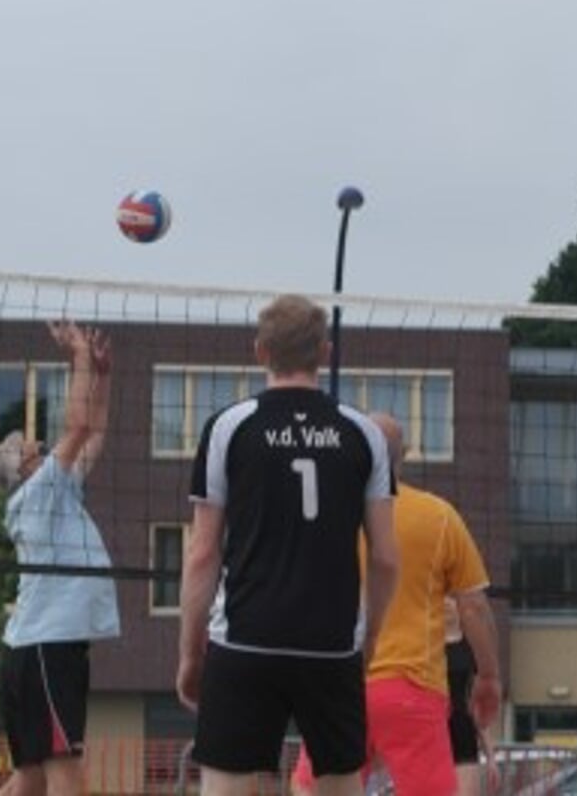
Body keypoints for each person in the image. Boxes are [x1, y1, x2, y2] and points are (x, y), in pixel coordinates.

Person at [178, 294, 400, 796]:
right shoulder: (363, 434)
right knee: (341, 782)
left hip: (244, 638)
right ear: (325, 351)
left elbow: (202, 554)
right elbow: (386, 557)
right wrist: (368, 641)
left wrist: (191, 655)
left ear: (259, 352)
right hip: (330, 644)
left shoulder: (228, 428)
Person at [291, 412, 502, 796]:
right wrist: (489, 675)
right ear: (402, 457)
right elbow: (473, 608)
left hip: (339, 683)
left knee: (310, 789)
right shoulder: (438, 517)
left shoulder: (322, 514)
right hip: (411, 688)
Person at [0, 320, 120, 796]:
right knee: (65, 773)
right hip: (46, 646)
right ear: (21, 467)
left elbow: (94, 431)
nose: (37, 444)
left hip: (41, 647)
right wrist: (80, 358)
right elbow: (79, 425)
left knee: (28, 779)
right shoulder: (36, 492)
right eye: (27, 446)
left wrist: (101, 377)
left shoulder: (55, 493)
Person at [444, 598, 488, 796]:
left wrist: (490, 754)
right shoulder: (426, 645)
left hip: (463, 726)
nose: (447, 606)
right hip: (434, 723)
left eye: (451, 601)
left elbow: (474, 701)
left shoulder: (468, 646)